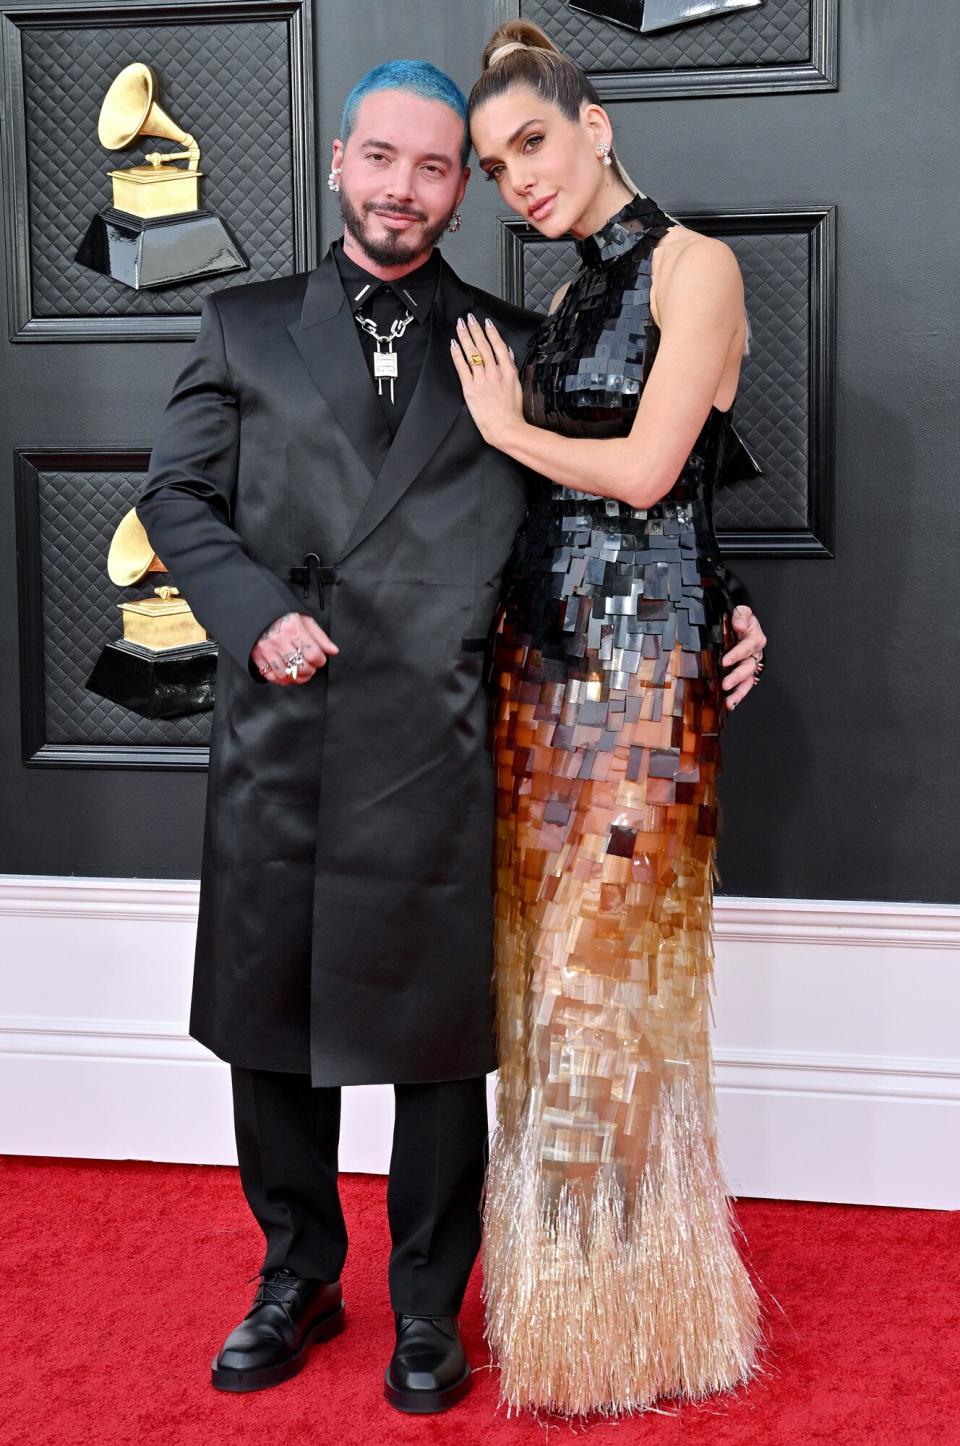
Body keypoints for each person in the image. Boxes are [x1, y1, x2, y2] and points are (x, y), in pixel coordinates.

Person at [136, 56, 767, 1415]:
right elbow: (178, 496)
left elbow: (607, 499)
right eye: (386, 159)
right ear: (340, 163)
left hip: (440, 730)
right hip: (284, 725)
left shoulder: (508, 336)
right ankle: (294, 1273)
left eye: (439, 168)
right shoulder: (240, 324)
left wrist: (722, 598)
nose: (406, 189)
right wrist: (250, 615)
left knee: (434, 1033)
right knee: (269, 1023)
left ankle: (431, 1306)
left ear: (453, 192)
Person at [447, 21, 767, 1417]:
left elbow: (649, 475)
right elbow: (695, 495)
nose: (515, 177)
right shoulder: (572, 303)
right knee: (549, 980)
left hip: (642, 679)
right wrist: (742, 594)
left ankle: (636, 1312)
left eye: (531, 142)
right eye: (491, 163)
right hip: (543, 665)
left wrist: (507, 428)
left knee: (611, 981)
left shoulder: (699, 266)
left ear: (596, 127)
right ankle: (578, 1302)